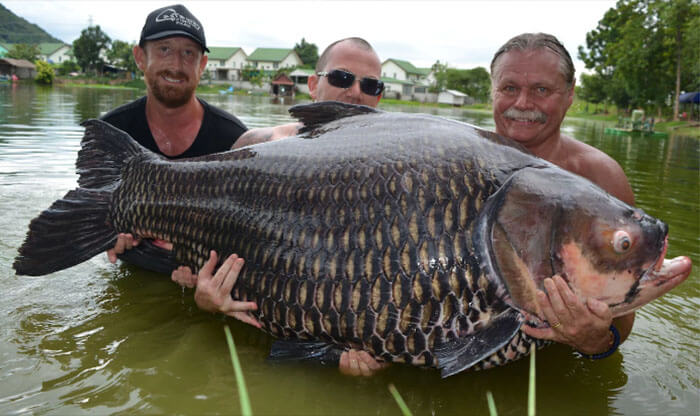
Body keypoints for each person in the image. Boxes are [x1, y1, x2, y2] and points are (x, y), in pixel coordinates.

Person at [489, 33, 636, 358]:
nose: (523, 104)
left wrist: (598, 341)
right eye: (509, 88)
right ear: (493, 90)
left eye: (541, 90)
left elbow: (625, 313)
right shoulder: (459, 165)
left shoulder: (600, 176)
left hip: (551, 361)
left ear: (570, 94)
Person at [103, 4, 254, 317]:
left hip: (204, 283)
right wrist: (107, 232)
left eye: (189, 54)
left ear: (203, 65)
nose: (176, 64)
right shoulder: (112, 131)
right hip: (134, 272)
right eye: (164, 49)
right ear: (140, 57)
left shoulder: (234, 138)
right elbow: (92, 204)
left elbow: (247, 229)